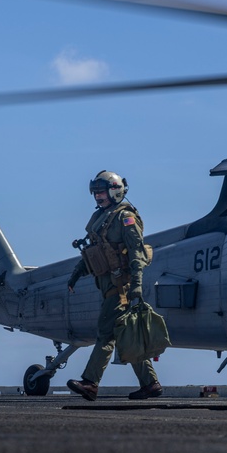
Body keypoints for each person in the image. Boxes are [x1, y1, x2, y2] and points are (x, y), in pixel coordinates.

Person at [66, 170, 161, 401]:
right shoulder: (102, 217)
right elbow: (95, 250)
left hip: (122, 287)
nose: (98, 197)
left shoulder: (125, 218)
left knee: (106, 333)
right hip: (109, 285)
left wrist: (137, 285)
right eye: (95, 193)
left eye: (101, 192)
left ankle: (90, 382)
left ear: (115, 190)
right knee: (125, 334)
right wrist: (77, 273)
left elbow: (137, 254)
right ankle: (150, 384)